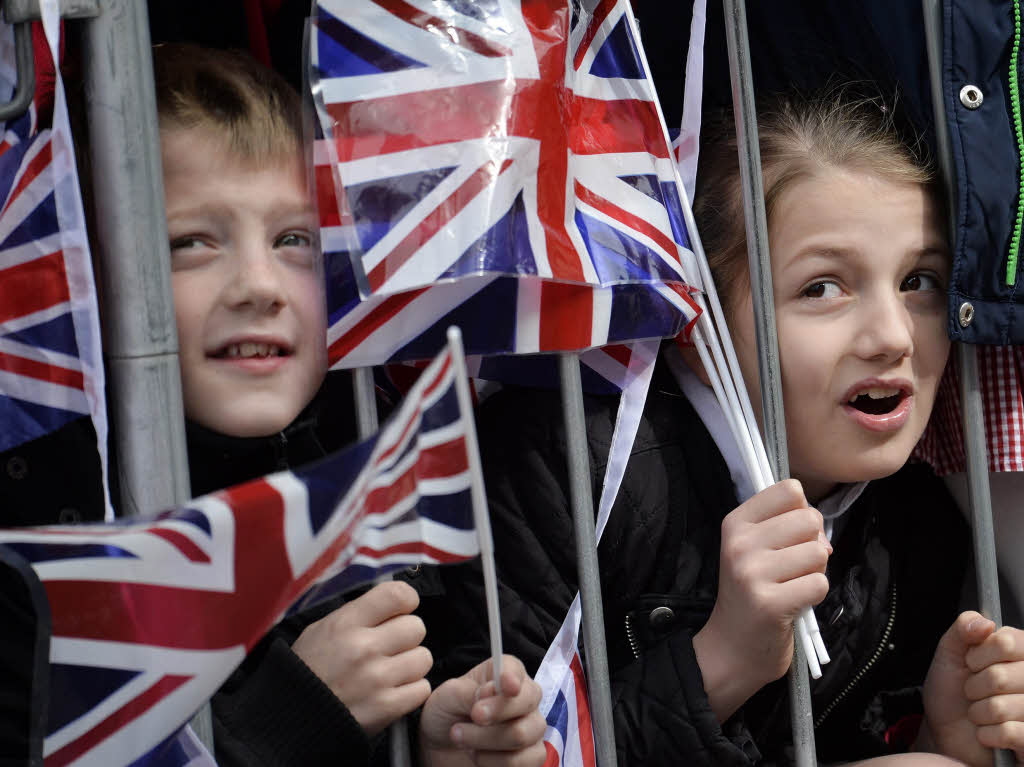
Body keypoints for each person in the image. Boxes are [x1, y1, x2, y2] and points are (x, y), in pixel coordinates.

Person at [439, 90, 1024, 765]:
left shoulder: (918, 522)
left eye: (919, 280)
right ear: (700, 327)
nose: (893, 336)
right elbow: (486, 749)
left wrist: (936, 734)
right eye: (822, 287)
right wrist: (722, 658)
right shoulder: (574, 458)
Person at [152, 43, 545, 767]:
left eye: (294, 239)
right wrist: (294, 712)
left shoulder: (391, 489)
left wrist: (436, 745)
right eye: (193, 243)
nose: (258, 284)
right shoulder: (77, 532)